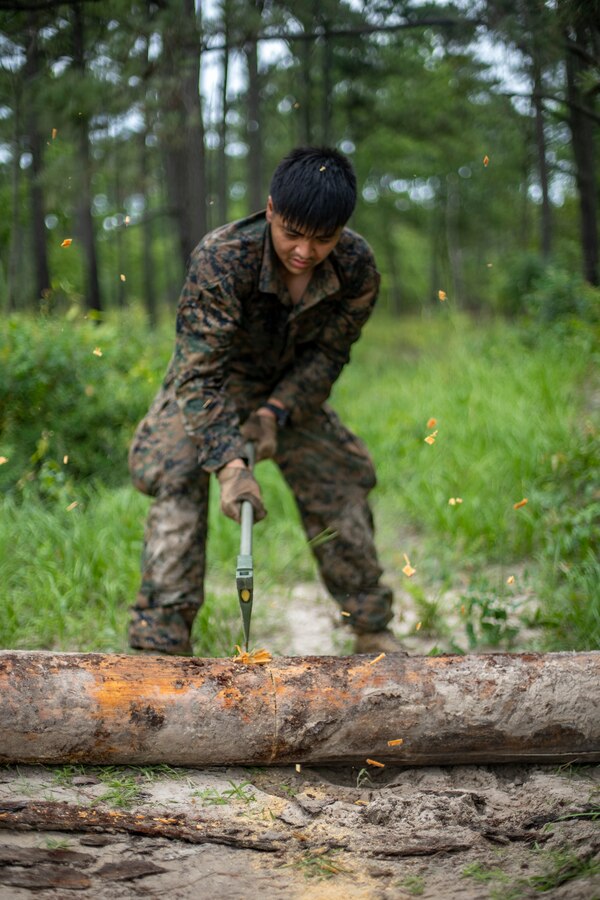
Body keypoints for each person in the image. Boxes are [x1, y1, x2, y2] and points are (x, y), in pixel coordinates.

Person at [128, 145, 404, 656]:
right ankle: (159, 647)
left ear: (342, 229)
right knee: (175, 473)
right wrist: (231, 466)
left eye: (323, 239)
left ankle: (371, 628)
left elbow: (327, 356)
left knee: (341, 478)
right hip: (209, 390)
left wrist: (276, 413)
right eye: (292, 234)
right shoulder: (222, 257)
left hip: (286, 395)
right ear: (271, 209)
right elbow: (198, 373)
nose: (304, 251)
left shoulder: (356, 268)